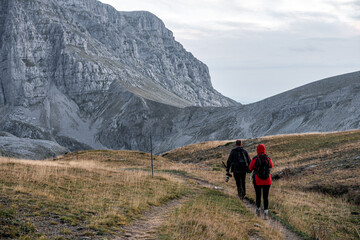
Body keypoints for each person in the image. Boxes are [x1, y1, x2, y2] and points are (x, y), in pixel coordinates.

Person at [249, 144, 273, 220]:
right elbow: (271, 166)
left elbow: (250, 168)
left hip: (257, 180)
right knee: (266, 196)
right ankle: (266, 213)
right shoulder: (268, 158)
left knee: (258, 195)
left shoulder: (255, 159)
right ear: (264, 149)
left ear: (257, 150)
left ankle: (258, 211)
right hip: (267, 180)